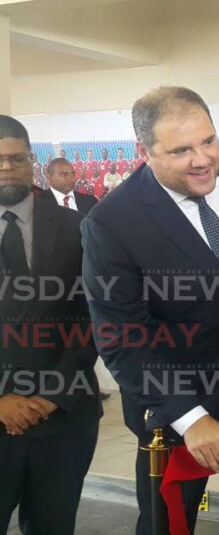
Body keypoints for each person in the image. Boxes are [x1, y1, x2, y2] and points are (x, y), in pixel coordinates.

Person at [81, 86, 219, 535]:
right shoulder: (112, 223)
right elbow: (122, 340)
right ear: (144, 151)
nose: (202, 159)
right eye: (180, 150)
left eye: (208, 141)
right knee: (167, 525)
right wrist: (190, 416)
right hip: (174, 415)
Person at [0, 115, 102, 534]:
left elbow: (95, 317)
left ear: (31, 161)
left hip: (63, 415)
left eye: (15, 158)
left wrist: (50, 395)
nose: (6, 167)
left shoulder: (76, 227)